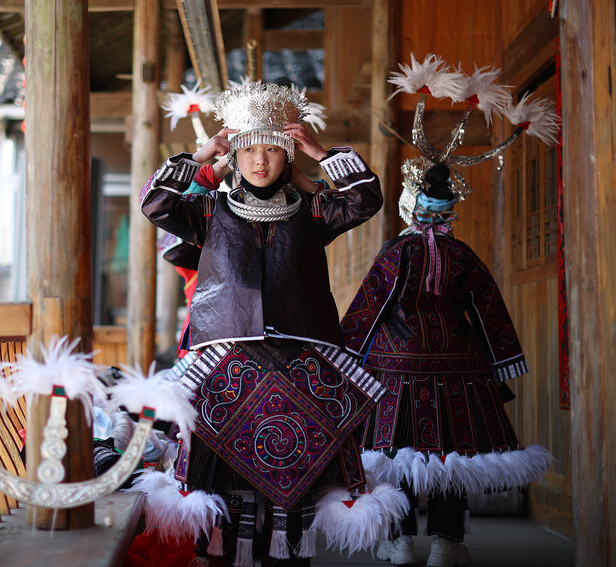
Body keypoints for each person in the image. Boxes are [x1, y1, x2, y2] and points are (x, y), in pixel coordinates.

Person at [139, 81, 404, 566]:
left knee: (294, 466)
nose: (260, 161)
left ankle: (288, 556)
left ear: (288, 156)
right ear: (235, 156)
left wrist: (318, 154)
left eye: (272, 151)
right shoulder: (210, 210)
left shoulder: (314, 211)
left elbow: (364, 200)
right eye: (249, 150)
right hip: (226, 357)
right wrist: (204, 158)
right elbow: (155, 202)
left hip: (299, 357)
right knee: (222, 473)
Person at [340, 161, 553, 567]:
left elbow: (369, 306)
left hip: (397, 366)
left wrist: (344, 356)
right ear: (449, 211)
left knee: (394, 455)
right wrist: (504, 359)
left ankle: (400, 542)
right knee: (451, 455)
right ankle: (446, 543)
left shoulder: (396, 253)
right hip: (458, 367)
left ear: (410, 208)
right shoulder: (462, 255)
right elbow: (488, 308)